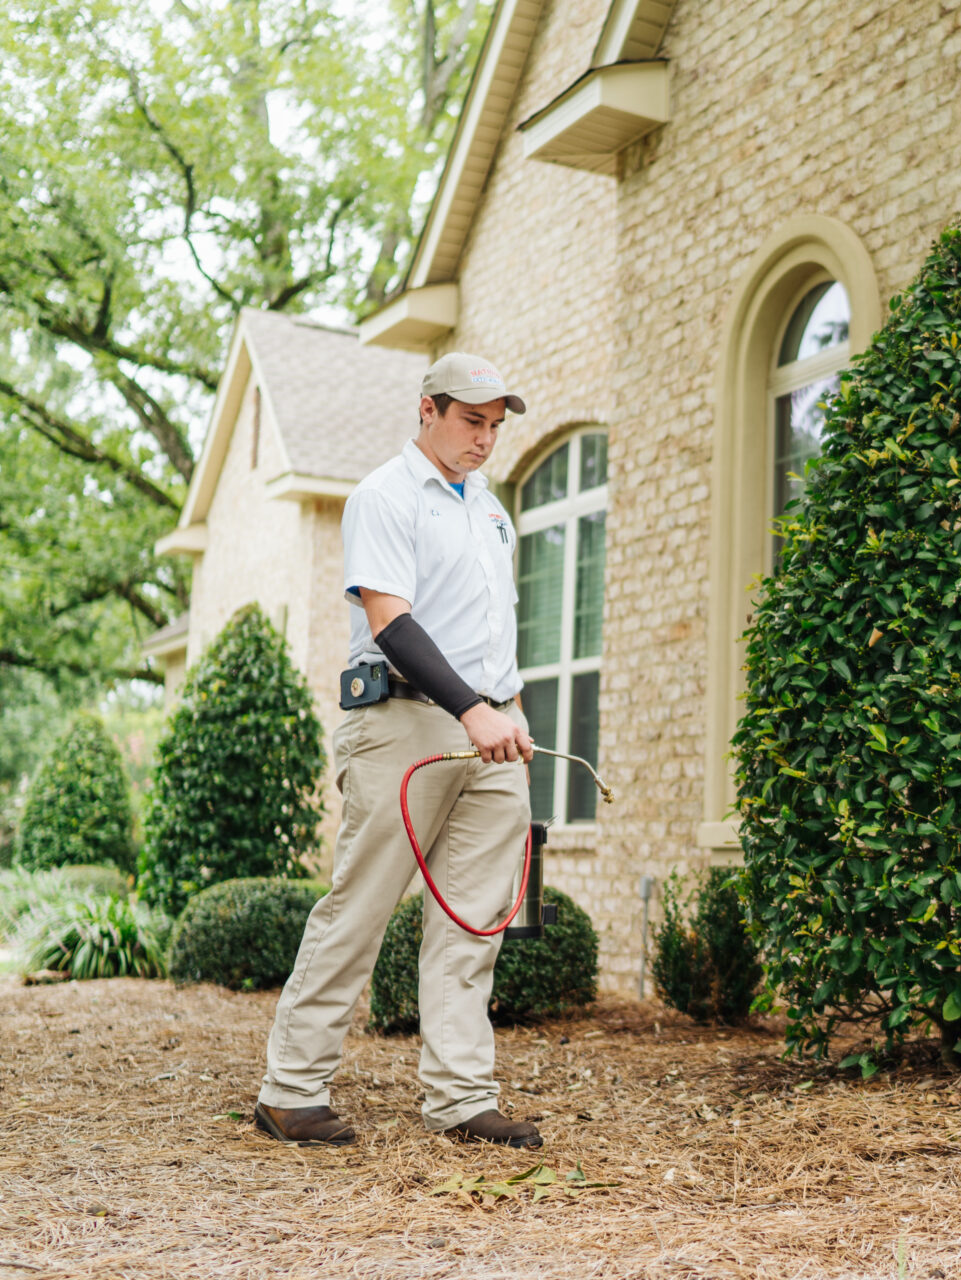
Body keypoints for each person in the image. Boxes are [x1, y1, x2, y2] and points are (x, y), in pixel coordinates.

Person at [254, 353, 541, 1149]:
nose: (485, 440)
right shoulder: (385, 494)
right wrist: (473, 710)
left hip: (490, 732)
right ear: (427, 410)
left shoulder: (488, 510)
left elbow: (491, 633)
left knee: (474, 920)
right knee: (362, 905)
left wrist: (506, 714)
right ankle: (290, 1091)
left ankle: (460, 1099)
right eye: (470, 421)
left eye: (495, 427)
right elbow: (392, 623)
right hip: (405, 724)